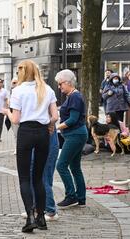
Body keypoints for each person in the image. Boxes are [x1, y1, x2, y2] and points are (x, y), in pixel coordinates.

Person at [2, 60, 58, 233]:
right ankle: (41, 217)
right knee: (38, 177)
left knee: (24, 178)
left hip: (26, 132)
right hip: (42, 133)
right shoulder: (47, 89)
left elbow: (16, 120)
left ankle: (30, 217)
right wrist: (49, 125)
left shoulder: (18, 91)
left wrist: (7, 112)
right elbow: (55, 115)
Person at [55, 69, 88, 209]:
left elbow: (73, 119)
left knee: (61, 165)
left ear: (68, 82)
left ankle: (71, 196)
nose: (59, 86)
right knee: (75, 167)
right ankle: (81, 198)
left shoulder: (74, 97)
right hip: (77, 134)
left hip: (75, 135)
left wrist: (56, 127)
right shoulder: (73, 96)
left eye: (60, 83)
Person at [10, 78, 19, 155]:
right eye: (12, 83)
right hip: (14, 116)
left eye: (15, 83)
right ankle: (16, 148)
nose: (13, 85)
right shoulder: (12, 92)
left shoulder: (20, 92)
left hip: (21, 117)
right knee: (15, 134)